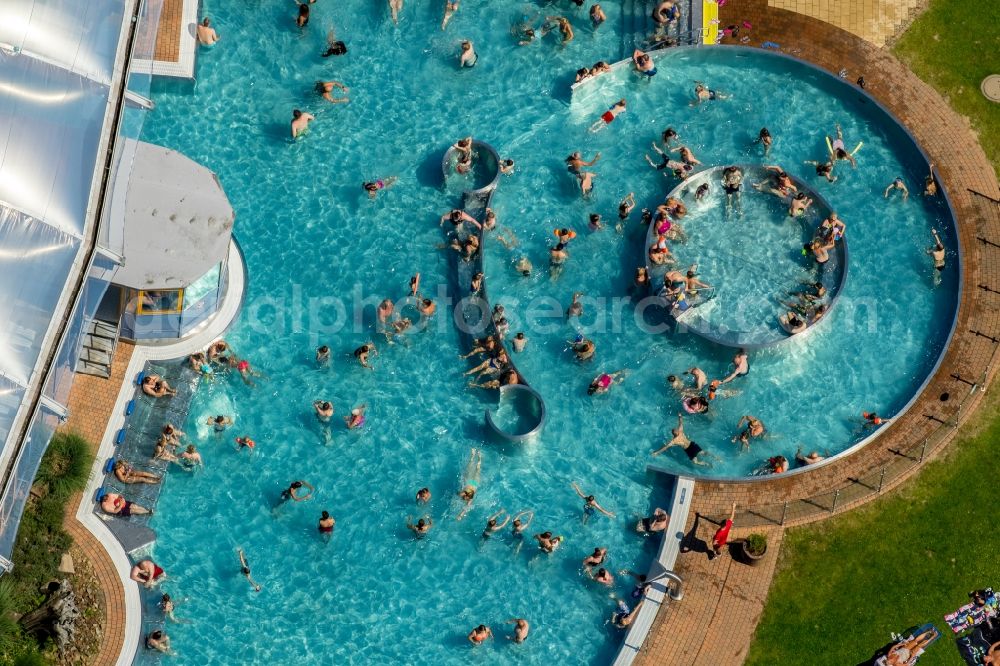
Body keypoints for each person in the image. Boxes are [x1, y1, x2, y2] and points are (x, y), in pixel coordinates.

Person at [651, 413, 716, 466]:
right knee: (695, 462)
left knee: (703, 453)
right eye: (676, 432)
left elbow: (681, 422)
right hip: (688, 450)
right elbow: (665, 447)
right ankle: (707, 464)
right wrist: (657, 452)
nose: (677, 432)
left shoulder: (680, 431)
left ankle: (716, 458)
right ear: (674, 434)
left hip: (692, 444)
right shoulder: (673, 441)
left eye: (677, 430)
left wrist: (680, 416)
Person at [456, 448, 482, 520]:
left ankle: (476, 457)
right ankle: (476, 456)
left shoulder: (467, 496)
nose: (466, 499)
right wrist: (460, 515)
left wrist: (460, 515)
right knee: (475, 470)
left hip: (473, 483)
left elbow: (466, 507)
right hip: (472, 483)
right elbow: (466, 507)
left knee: (475, 470)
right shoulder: (466, 494)